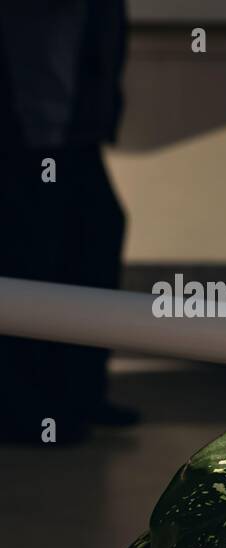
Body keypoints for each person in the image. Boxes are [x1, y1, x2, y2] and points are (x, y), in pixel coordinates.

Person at [0, 1, 134, 443]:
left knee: (91, 242)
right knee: (33, 257)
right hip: (34, 131)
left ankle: (77, 394)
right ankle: (31, 410)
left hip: (71, 130)